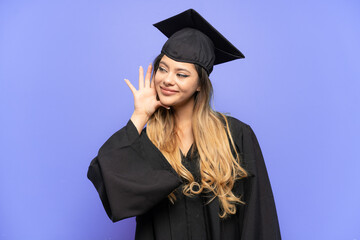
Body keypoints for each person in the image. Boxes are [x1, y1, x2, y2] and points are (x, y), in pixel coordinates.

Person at [87, 9, 281, 240]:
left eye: (182, 74)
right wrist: (139, 116)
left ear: (200, 84)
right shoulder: (146, 140)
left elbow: (259, 217)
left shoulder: (235, 135)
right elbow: (106, 175)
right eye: (163, 69)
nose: (168, 80)